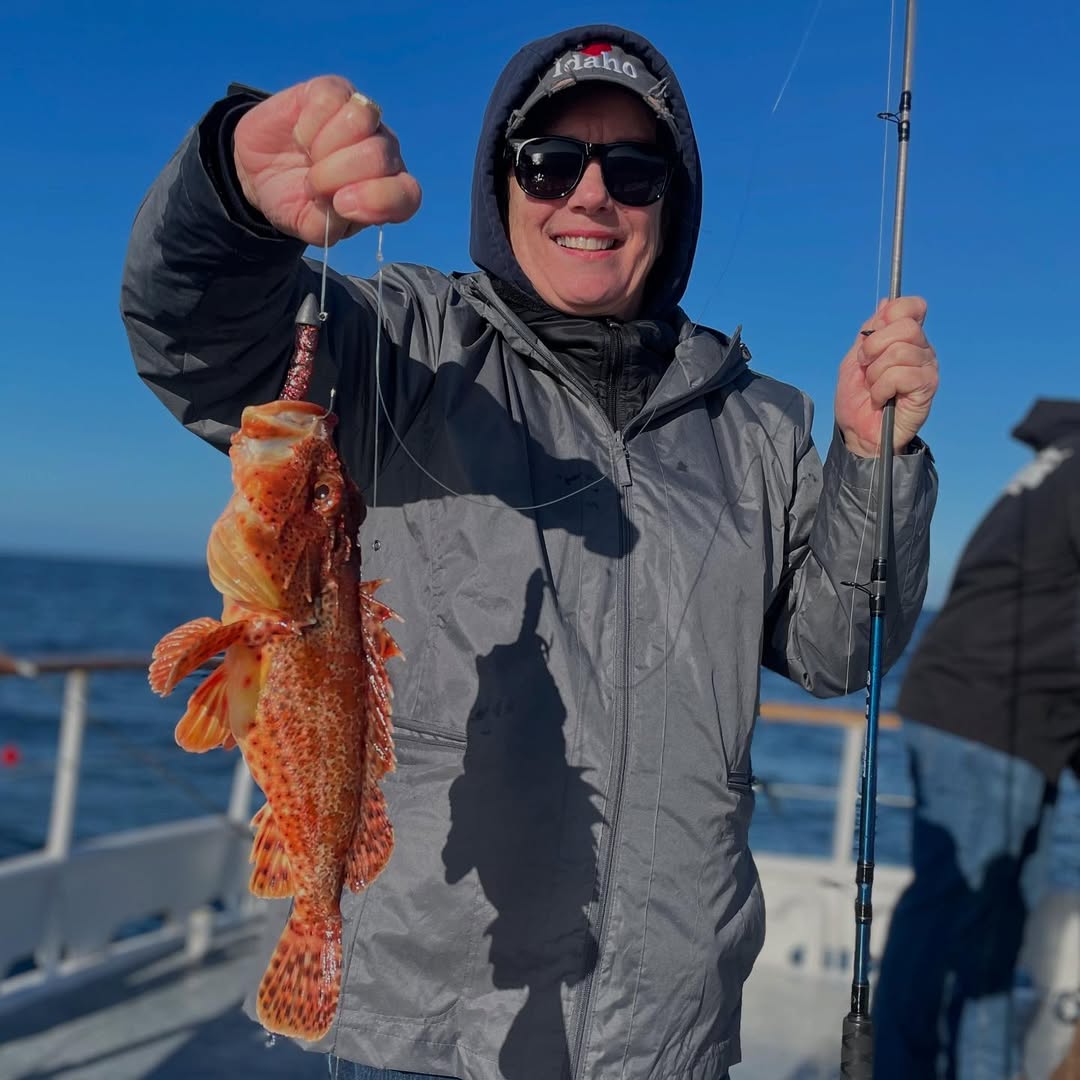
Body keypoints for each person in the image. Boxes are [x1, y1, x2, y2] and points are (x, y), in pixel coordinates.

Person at [121, 24, 940, 1080]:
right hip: (425, 1024)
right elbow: (198, 337)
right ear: (501, 186)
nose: (590, 196)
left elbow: (840, 650)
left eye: (633, 171)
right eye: (551, 162)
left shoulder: (762, 424)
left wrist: (875, 460)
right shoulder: (400, 345)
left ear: (672, 204)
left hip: (673, 1027)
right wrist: (229, 198)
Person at [873, 398, 1080, 1080]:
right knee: (957, 917)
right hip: (988, 716)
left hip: (1010, 719)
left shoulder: (1058, 466)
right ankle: (901, 1069)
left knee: (990, 922)